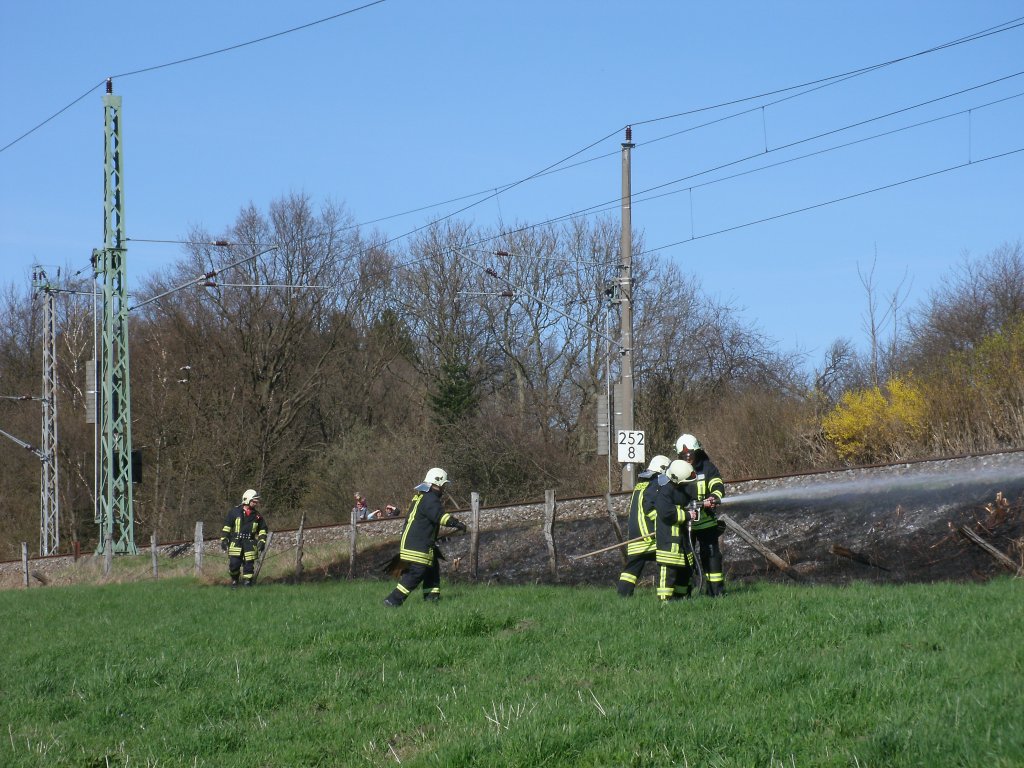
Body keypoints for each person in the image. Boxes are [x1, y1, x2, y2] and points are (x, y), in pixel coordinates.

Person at [383, 468, 467, 607]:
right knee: (417, 573)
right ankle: (393, 601)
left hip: (418, 543)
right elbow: (439, 516)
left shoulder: (422, 497)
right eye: (443, 486)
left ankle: (431, 599)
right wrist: (456, 523)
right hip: (417, 545)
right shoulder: (430, 499)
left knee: (432, 570)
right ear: (437, 483)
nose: (444, 489)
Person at [676, 433, 726, 596]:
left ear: (697, 453)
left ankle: (715, 593)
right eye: (684, 455)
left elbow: (717, 484)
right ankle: (683, 594)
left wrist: (714, 496)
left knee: (712, 558)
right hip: (684, 523)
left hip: (706, 522)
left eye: (690, 454)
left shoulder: (707, 468)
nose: (687, 458)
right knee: (684, 559)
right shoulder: (676, 470)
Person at [616, 454, 671, 597]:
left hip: (635, 536)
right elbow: (650, 509)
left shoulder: (640, 485)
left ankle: (622, 596)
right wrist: (661, 524)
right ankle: (667, 596)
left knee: (631, 569)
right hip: (649, 536)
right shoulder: (655, 484)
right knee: (667, 561)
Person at [654, 459, 699, 601]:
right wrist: (687, 515)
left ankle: (681, 598)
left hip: (681, 544)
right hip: (669, 545)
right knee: (668, 574)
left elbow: (685, 501)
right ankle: (664, 602)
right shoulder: (665, 492)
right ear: (678, 480)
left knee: (684, 573)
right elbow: (667, 513)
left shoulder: (678, 489)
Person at [220, 488, 268, 587]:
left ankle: (247, 584)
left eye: (256, 501)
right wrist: (224, 540)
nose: (256, 503)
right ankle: (234, 580)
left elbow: (263, 529)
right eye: (254, 501)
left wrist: (262, 541)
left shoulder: (258, 516)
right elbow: (227, 527)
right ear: (247, 499)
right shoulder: (234, 512)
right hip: (236, 542)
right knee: (234, 564)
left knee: (249, 566)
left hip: (250, 543)